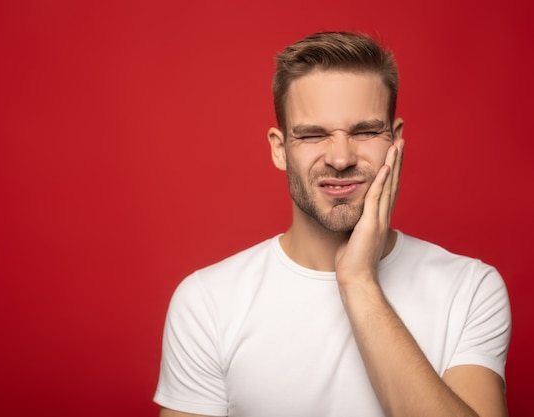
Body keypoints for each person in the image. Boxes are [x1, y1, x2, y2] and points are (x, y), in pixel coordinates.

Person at [153, 32, 511, 417]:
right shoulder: (207, 302)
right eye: (313, 135)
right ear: (279, 148)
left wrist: (358, 281)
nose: (341, 158)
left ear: (396, 139)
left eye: (365, 131)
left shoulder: (471, 289)